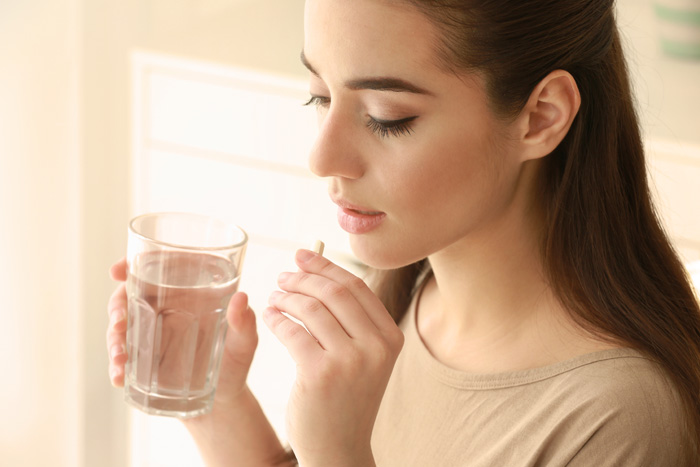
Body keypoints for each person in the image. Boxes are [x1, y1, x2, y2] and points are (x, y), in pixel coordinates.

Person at [106, 0, 700, 465]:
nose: (322, 157)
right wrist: (216, 401)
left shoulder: (619, 422)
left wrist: (338, 456)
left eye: (388, 119)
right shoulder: (401, 295)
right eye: (319, 95)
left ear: (541, 115)